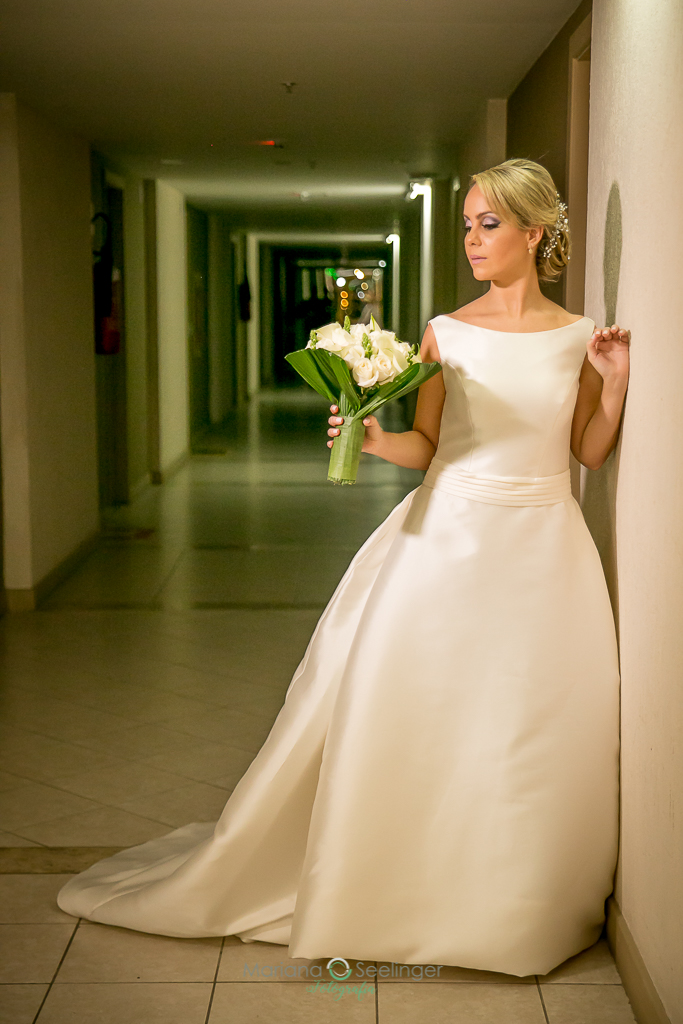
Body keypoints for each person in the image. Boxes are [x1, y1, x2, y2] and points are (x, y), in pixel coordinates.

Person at [58, 158, 630, 979]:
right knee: (423, 715)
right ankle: (397, 890)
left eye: (488, 224)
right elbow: (427, 445)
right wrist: (370, 439)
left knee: (525, 729)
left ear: (533, 234)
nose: (471, 240)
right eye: (466, 224)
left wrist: (612, 386)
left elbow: (586, 452)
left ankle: (513, 905)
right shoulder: (446, 331)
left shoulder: (578, 336)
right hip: (446, 541)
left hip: (545, 549)